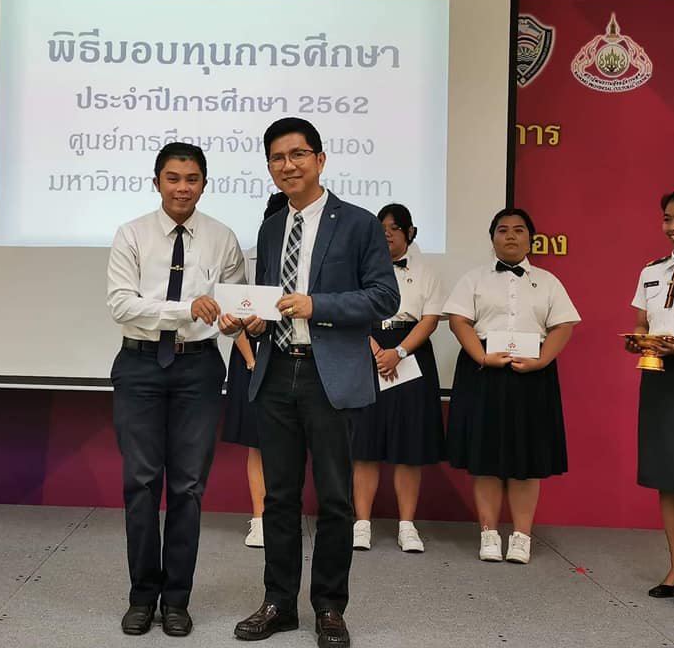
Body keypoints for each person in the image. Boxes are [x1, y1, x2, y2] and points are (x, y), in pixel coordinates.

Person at [230, 117, 399, 648]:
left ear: (320, 160)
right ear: (269, 167)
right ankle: (278, 603)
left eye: (298, 154)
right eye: (278, 158)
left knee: (334, 499)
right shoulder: (270, 227)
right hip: (276, 369)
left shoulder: (359, 223)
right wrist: (255, 321)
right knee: (278, 497)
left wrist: (316, 305)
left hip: (331, 376)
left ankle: (329, 607)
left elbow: (384, 297)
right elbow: (268, 299)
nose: (289, 165)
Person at [107, 142, 246, 637]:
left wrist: (238, 319)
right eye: (172, 178)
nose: (182, 188)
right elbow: (122, 305)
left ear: (204, 184)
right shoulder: (132, 234)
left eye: (191, 179)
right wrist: (186, 309)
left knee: (188, 487)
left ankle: (177, 601)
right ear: (157, 182)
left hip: (198, 369)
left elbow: (233, 308)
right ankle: (142, 596)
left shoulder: (222, 238)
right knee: (141, 484)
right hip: (140, 366)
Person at [444, 208, 580, 564]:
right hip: (483, 371)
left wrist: (542, 360)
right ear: (492, 238)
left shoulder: (548, 281)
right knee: (485, 457)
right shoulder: (473, 279)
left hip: (532, 373)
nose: (510, 236)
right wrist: (481, 356)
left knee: (527, 458)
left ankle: (521, 536)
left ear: (530, 238)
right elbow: (458, 321)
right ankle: (489, 532)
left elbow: (563, 325)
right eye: (502, 230)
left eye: (519, 230)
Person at [351, 204, 445, 553]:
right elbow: (353, 311)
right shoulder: (360, 268)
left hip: (411, 352)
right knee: (364, 442)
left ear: (410, 233)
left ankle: (407, 525)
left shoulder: (427, 272)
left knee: (409, 446)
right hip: (366, 347)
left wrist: (399, 352)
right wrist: (375, 348)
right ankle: (362, 523)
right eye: (381, 228)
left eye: (394, 228)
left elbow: (430, 320)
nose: (387, 234)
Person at [223, 191, 290, 549]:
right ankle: (259, 518)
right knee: (257, 443)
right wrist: (251, 361)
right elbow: (233, 316)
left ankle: (285, 517)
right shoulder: (247, 258)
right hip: (250, 355)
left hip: (292, 357)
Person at [625, 188, 674, 603]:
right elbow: (642, 322)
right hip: (661, 377)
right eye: (668, 219)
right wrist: (638, 340)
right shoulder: (651, 271)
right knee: (668, 474)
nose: (673, 227)